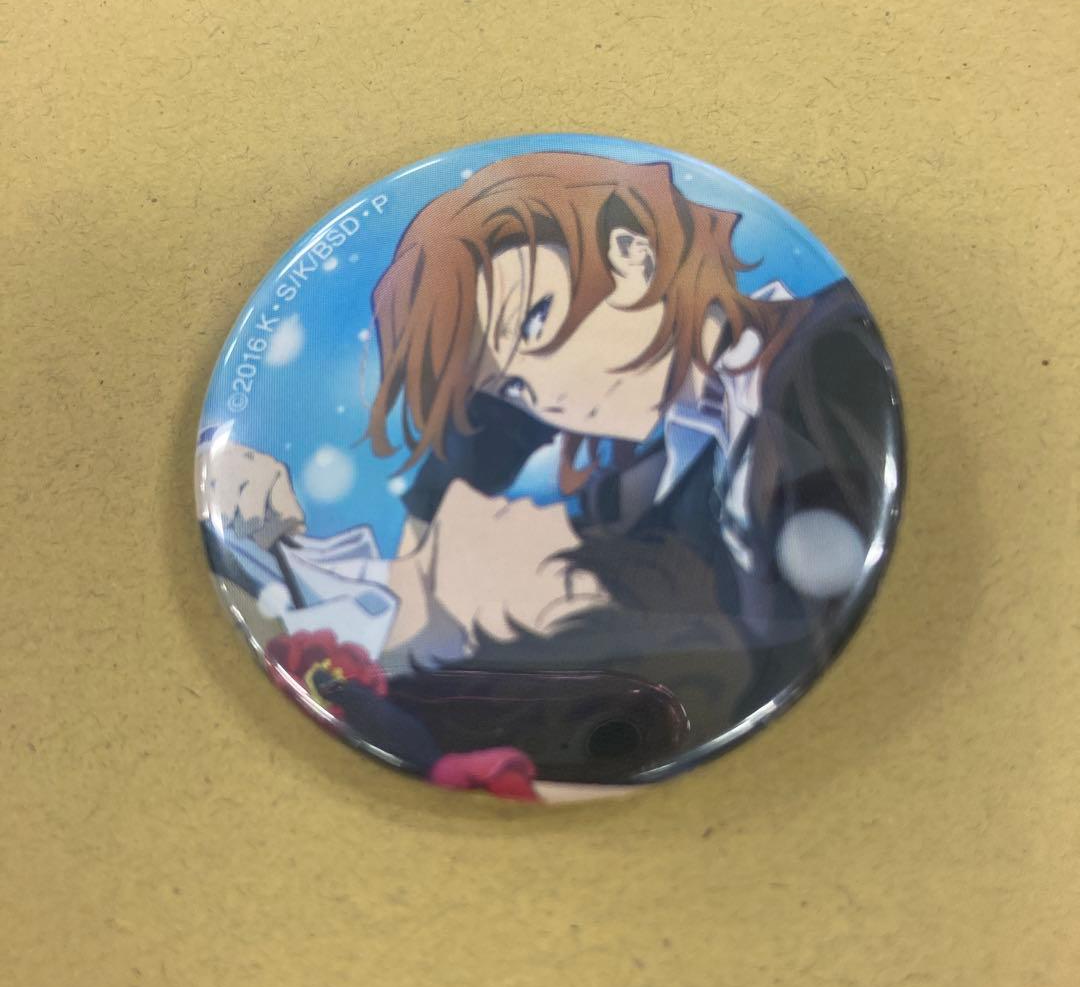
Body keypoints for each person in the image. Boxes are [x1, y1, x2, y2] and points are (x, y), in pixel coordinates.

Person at [199, 152, 899, 740]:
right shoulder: (651, 494)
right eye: (514, 389)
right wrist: (263, 527)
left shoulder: (831, 349)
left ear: (634, 255)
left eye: (537, 320)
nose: (550, 398)